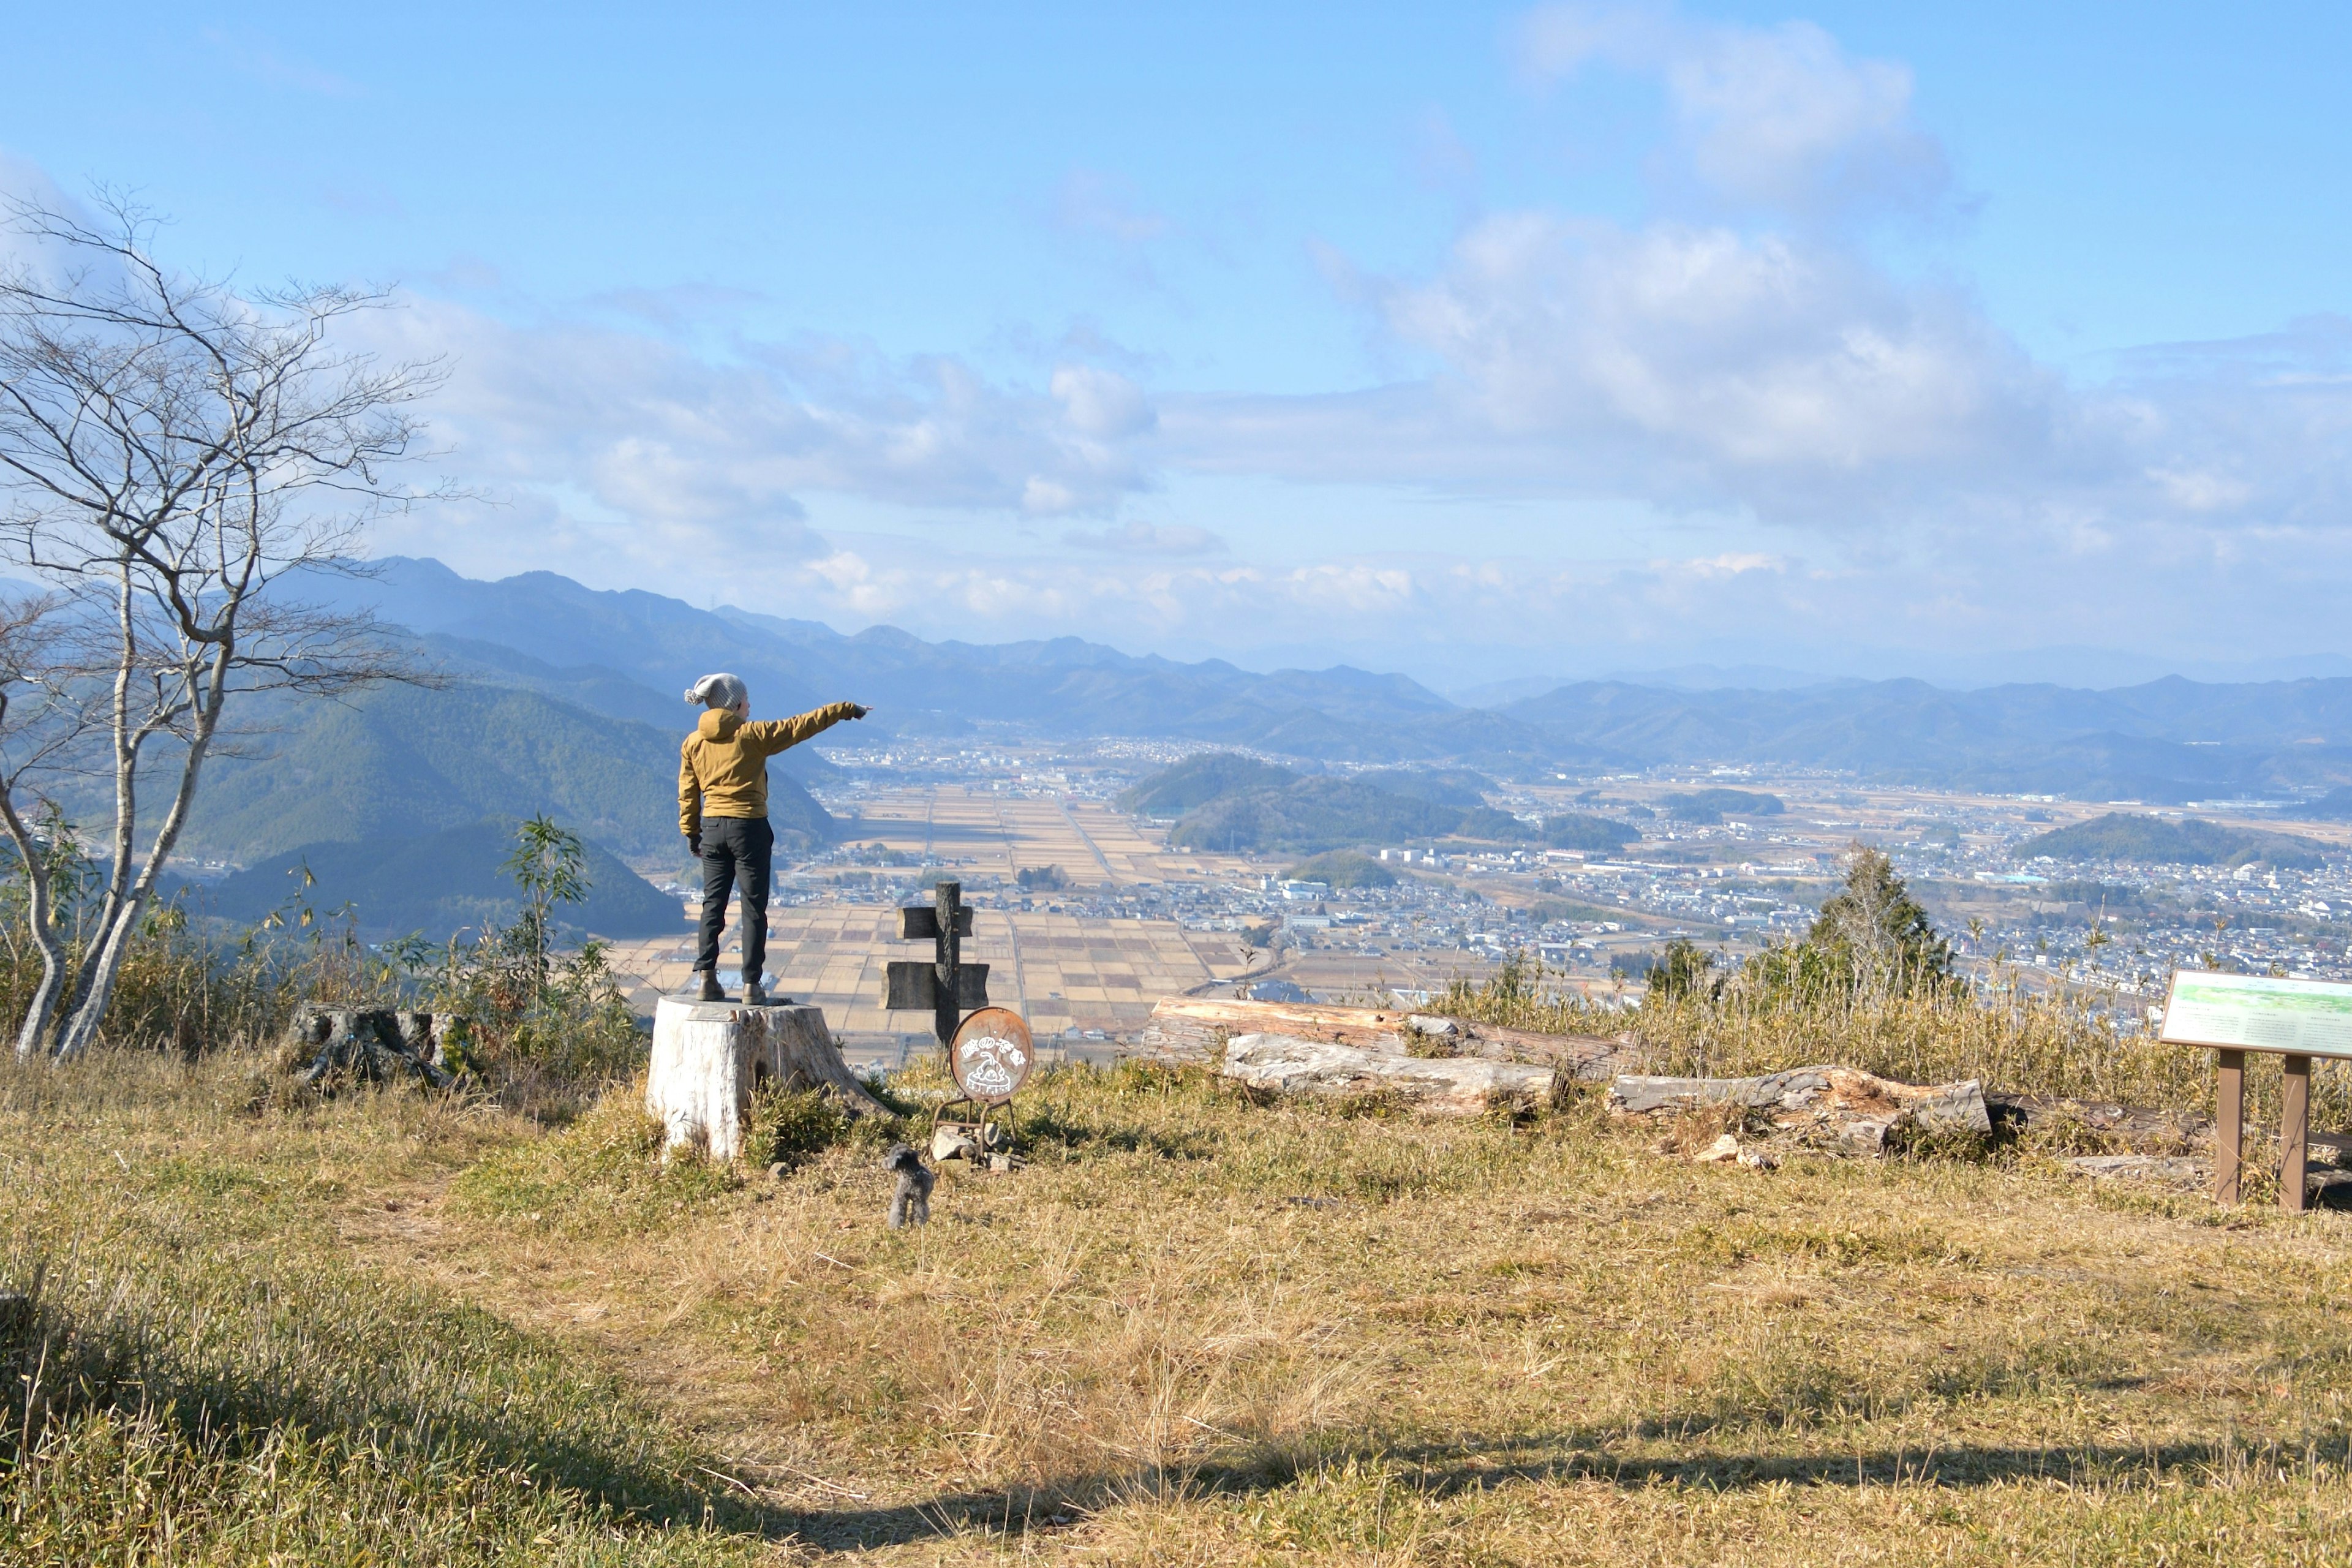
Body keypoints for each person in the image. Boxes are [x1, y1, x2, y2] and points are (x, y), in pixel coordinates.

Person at [679, 674, 868, 1003]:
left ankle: (706, 979)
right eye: (746, 699)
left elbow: (688, 792)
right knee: (753, 907)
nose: (750, 705)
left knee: (713, 904)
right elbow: (801, 725)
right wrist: (845, 709)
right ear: (735, 704)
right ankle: (752, 985)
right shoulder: (752, 735)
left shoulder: (693, 742)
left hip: (711, 827)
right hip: (748, 827)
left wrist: (691, 832)